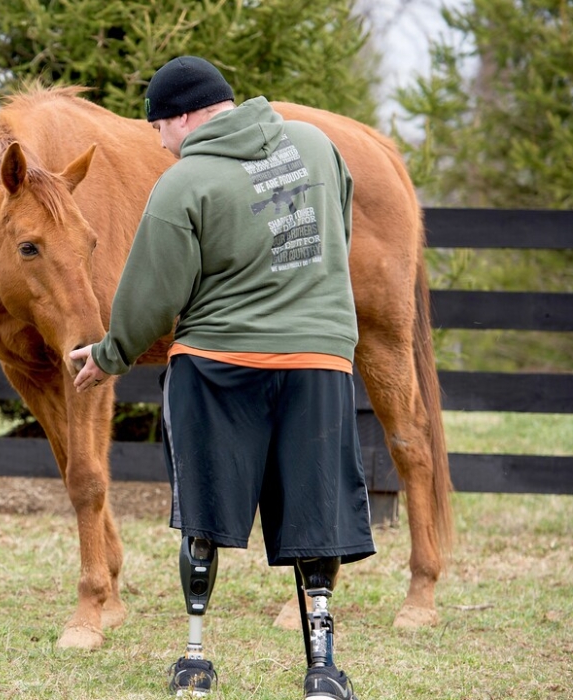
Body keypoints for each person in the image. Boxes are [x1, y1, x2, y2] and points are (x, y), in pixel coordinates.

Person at [71, 55, 376, 700]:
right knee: (314, 506)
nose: (156, 141)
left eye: (158, 126)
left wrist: (109, 354)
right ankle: (322, 668)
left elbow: (153, 292)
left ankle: (195, 657)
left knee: (204, 511)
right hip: (320, 362)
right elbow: (336, 231)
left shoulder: (186, 183)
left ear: (184, 116)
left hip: (219, 365)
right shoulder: (317, 146)